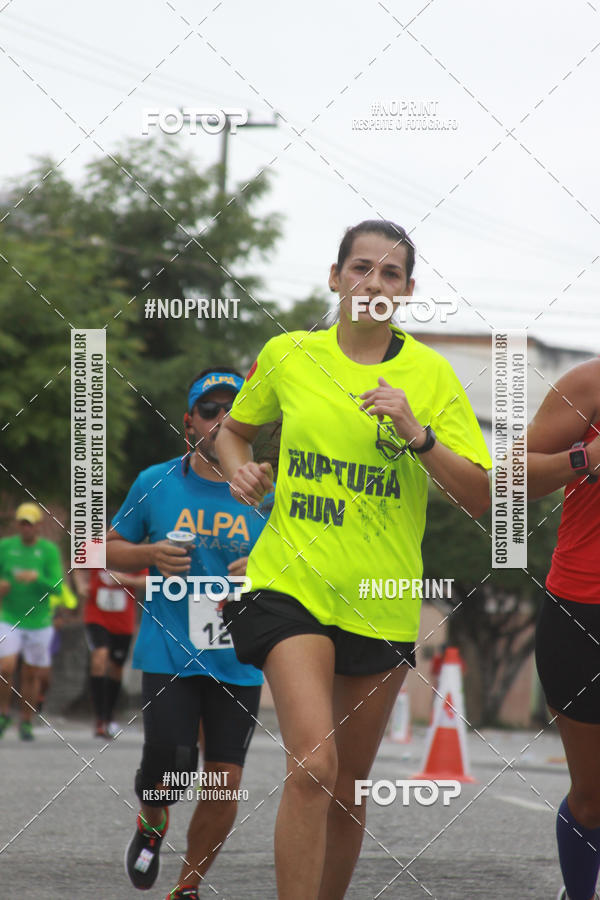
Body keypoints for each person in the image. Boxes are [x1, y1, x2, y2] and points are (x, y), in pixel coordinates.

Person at [216, 219, 492, 900]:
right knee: (313, 765)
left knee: (346, 785)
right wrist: (239, 471)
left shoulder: (430, 374)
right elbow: (233, 431)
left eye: (390, 273)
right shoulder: (288, 353)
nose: (373, 282)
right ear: (336, 277)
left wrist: (418, 434)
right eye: (361, 267)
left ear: (408, 291)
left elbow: (483, 497)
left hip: (381, 597)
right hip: (287, 580)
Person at [106, 367, 271, 900]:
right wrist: (148, 554)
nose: (221, 419)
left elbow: (302, 564)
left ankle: (188, 887)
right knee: (170, 768)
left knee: (223, 784)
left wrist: (265, 569)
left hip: (237, 656)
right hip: (170, 647)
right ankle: (153, 822)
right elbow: (104, 551)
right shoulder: (156, 481)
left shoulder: (270, 494)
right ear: (188, 423)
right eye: (209, 410)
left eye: (232, 410)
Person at [528, 358, 600, 900]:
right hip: (582, 609)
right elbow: (512, 477)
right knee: (594, 795)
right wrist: (588, 458)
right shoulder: (589, 383)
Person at [0, 502, 63, 741]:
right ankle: (3, 713)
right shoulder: (5, 547)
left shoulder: (48, 551)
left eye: (30, 523)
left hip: (39, 620)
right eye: (22, 523)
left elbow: (57, 586)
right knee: (5, 667)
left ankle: (26, 720)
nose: (26, 528)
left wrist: (37, 578)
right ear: (17, 525)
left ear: (38, 526)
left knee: (31, 673)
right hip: (9, 617)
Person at [73, 563, 147, 738]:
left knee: (116, 667)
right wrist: (81, 585)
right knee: (99, 657)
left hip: (123, 620)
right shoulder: (93, 544)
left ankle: (109, 715)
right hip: (96, 615)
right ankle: (99, 718)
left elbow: (148, 580)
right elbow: (77, 568)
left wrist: (124, 579)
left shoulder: (131, 546)